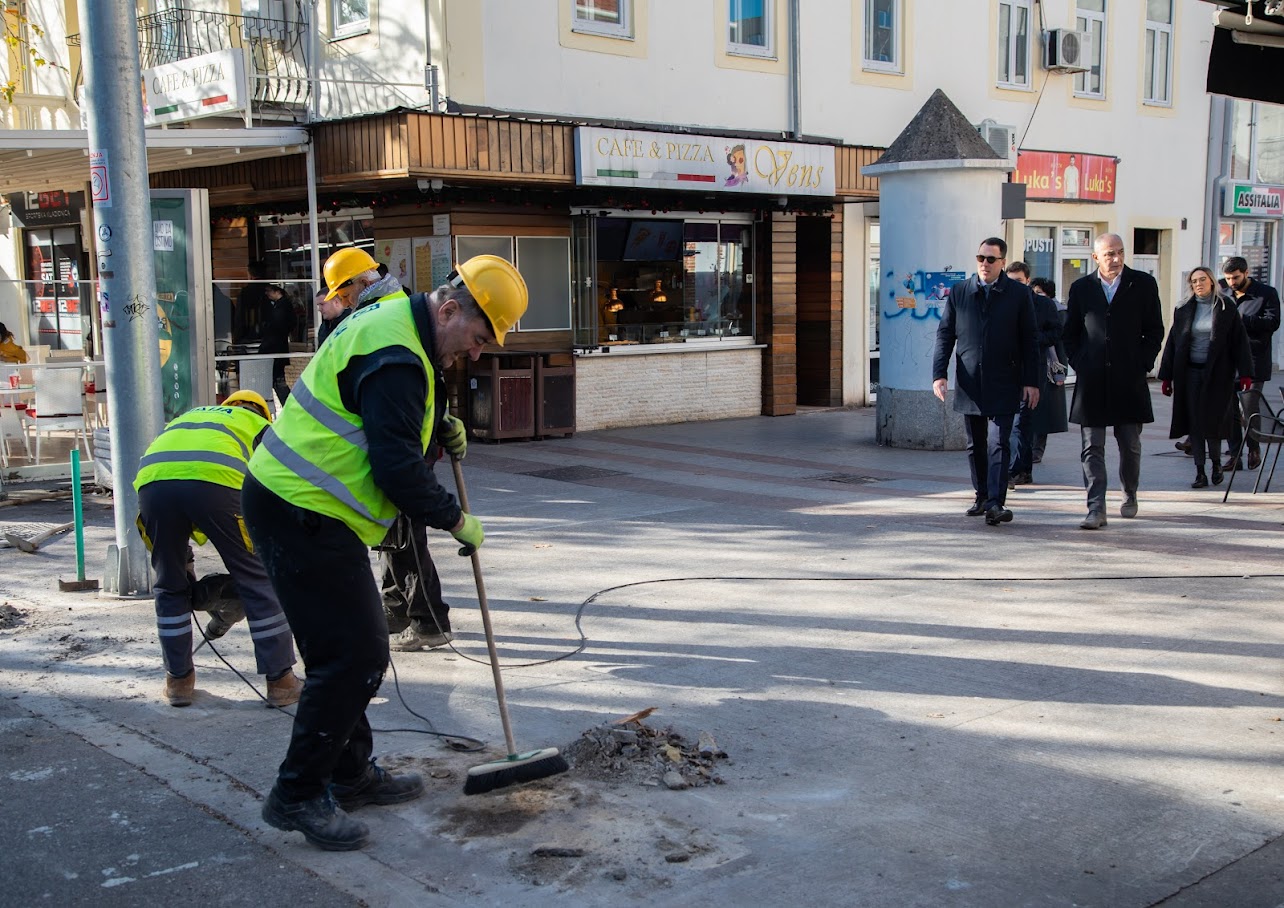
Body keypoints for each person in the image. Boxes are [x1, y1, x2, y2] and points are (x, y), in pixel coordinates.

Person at [241, 247, 528, 851]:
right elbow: (395, 467)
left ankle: (347, 774)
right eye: (478, 338)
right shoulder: (398, 352)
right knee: (357, 655)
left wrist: (439, 419)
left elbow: (391, 412)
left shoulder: (402, 322)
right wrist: (455, 521)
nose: (477, 353)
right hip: (301, 511)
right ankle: (297, 793)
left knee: (339, 653)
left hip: (300, 506)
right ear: (449, 309)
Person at [134, 390, 302, 709]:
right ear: (263, 412)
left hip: (153, 484)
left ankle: (178, 681)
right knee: (258, 583)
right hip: (218, 482)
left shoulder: (192, 417)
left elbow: (175, 477)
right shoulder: (261, 426)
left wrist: (184, 564)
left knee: (170, 586)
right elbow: (283, 485)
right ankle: (281, 682)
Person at [932, 237, 1040, 527]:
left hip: (1005, 380)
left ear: (1003, 262)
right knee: (975, 443)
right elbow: (945, 334)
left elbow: (1030, 340)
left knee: (998, 442)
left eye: (991, 259)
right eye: (980, 258)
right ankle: (981, 496)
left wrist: (1032, 381)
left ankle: (995, 502)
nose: (984, 264)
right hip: (970, 381)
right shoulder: (960, 292)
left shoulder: (1018, 294)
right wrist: (938, 374)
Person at [1063, 233, 1165, 529]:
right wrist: (1080, 362)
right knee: (1091, 447)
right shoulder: (1082, 288)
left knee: (1130, 444)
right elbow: (1070, 333)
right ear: (1095, 257)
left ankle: (1129, 491)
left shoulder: (1143, 284)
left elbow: (1154, 330)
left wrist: (1142, 363)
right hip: (1092, 380)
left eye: (1119, 252)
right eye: (1109, 254)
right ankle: (1096, 508)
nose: (1116, 259)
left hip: (1128, 379)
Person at [1158, 267, 1253, 488]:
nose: (1198, 284)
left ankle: (1217, 464)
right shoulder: (1183, 308)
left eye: (1202, 280)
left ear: (1211, 281)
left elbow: (1240, 341)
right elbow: (1173, 343)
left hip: (1218, 374)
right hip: (1190, 373)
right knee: (1195, 423)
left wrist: (1246, 372)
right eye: (1194, 281)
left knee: (1215, 421)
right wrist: (1166, 377)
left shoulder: (1225, 307)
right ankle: (1200, 472)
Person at [1221, 257, 1280, 472]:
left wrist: (1243, 319)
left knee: (1249, 407)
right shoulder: (1222, 290)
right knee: (1229, 412)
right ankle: (1235, 455)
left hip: (1255, 360)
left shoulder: (1266, 293)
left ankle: (1254, 448)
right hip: (1228, 361)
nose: (1231, 282)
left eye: (1235, 277)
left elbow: (1273, 323)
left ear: (1246, 273)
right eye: (1228, 278)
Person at [1027, 277, 1070, 466]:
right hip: (1033, 366)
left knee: (1044, 414)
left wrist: (1060, 372)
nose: (1036, 296)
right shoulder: (1029, 309)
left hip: (1051, 368)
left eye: (1039, 292)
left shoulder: (1059, 312)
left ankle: (1037, 450)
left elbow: (1061, 345)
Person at [259, 283, 297, 405]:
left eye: (269, 291)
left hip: (275, 349)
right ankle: (288, 406)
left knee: (278, 381)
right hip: (277, 348)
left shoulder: (282, 306)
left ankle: (289, 406)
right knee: (278, 381)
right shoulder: (281, 305)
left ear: (277, 291)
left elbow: (277, 326)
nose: (267, 294)